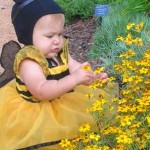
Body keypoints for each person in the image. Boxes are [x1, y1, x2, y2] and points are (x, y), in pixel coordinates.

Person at [0, 0, 118, 149]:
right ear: (28, 36)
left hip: (64, 100)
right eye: (49, 36)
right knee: (46, 140)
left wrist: (91, 78)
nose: (57, 41)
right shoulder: (29, 62)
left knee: (82, 124)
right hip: (37, 111)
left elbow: (75, 68)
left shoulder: (59, 53)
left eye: (60, 34)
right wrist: (74, 79)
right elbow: (42, 91)